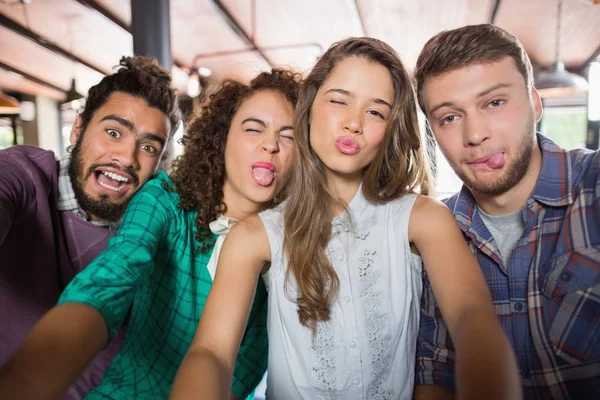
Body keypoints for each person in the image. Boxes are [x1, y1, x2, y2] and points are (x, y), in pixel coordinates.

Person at [170, 37, 522, 400]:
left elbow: (472, 317)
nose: (354, 123)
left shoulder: (424, 219)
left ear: (391, 128)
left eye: (376, 112)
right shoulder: (253, 237)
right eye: (339, 101)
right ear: (308, 109)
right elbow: (210, 352)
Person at [0, 68, 302, 400]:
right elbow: (109, 281)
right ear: (222, 137)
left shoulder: (289, 247)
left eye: (288, 136)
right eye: (253, 128)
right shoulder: (163, 201)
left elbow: (241, 374)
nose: (270, 145)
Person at [413, 24, 600, 399]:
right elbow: (434, 372)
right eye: (450, 117)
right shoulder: (433, 232)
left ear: (534, 102)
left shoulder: (592, 186)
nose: (475, 134)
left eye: (495, 103)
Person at [0, 56, 179, 399]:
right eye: (113, 132)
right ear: (78, 129)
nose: (127, 157)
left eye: (147, 147)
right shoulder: (24, 175)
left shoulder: (150, 238)